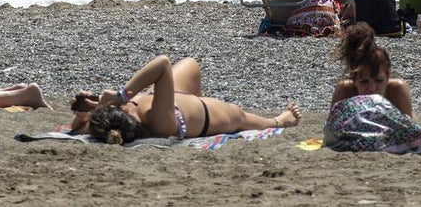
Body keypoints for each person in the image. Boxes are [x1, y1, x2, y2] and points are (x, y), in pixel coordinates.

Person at [68, 55, 301, 144]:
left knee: (191, 64)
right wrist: (122, 95)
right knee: (243, 118)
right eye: (121, 106)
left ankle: (182, 101)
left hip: (174, 99)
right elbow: (162, 63)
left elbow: (79, 127)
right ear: (126, 112)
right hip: (209, 114)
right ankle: (281, 120)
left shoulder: (113, 122)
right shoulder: (157, 122)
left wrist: (84, 112)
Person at [330, 22, 415, 119]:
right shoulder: (345, 91)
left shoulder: (396, 90)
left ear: (388, 77)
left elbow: (410, 129)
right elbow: (332, 129)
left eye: (379, 81)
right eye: (364, 82)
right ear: (354, 81)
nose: (372, 88)